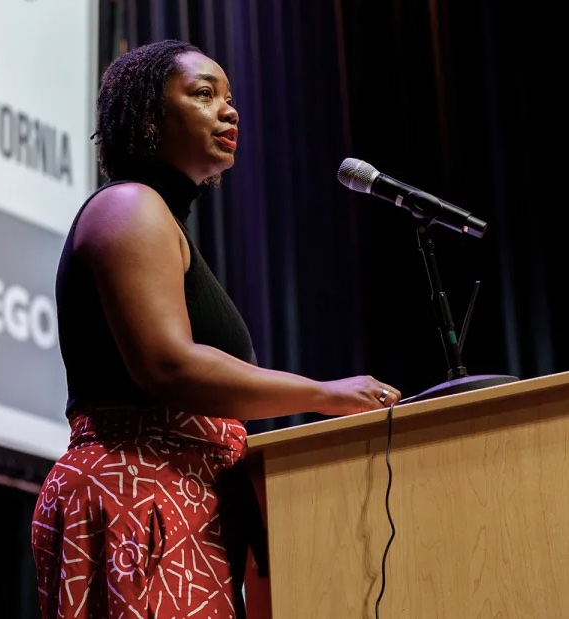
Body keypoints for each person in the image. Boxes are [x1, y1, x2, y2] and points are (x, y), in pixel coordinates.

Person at [30, 39, 402, 619]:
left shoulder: (159, 220)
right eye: (204, 95)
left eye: (230, 99)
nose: (229, 111)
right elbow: (168, 364)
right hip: (141, 492)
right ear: (149, 116)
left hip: (182, 495)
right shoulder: (128, 206)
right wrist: (323, 395)